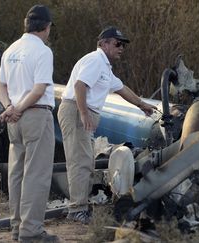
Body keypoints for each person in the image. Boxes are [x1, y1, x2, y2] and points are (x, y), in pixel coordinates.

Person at [57, 26, 157, 224]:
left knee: (85, 161)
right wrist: (84, 113)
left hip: (83, 113)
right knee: (80, 161)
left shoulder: (105, 68)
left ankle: (79, 206)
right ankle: (77, 210)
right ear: (103, 43)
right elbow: (79, 85)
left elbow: (122, 89)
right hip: (77, 112)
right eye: (117, 44)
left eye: (123, 45)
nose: (121, 48)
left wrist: (142, 104)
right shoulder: (95, 61)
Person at [0, 4, 59, 243]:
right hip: (35, 114)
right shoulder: (42, 51)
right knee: (37, 173)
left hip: (15, 119)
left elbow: (0, 84)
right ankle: (31, 232)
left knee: (17, 174)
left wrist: (9, 108)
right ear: (47, 27)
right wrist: (18, 108)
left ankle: (17, 228)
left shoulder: (10, 50)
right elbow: (40, 88)